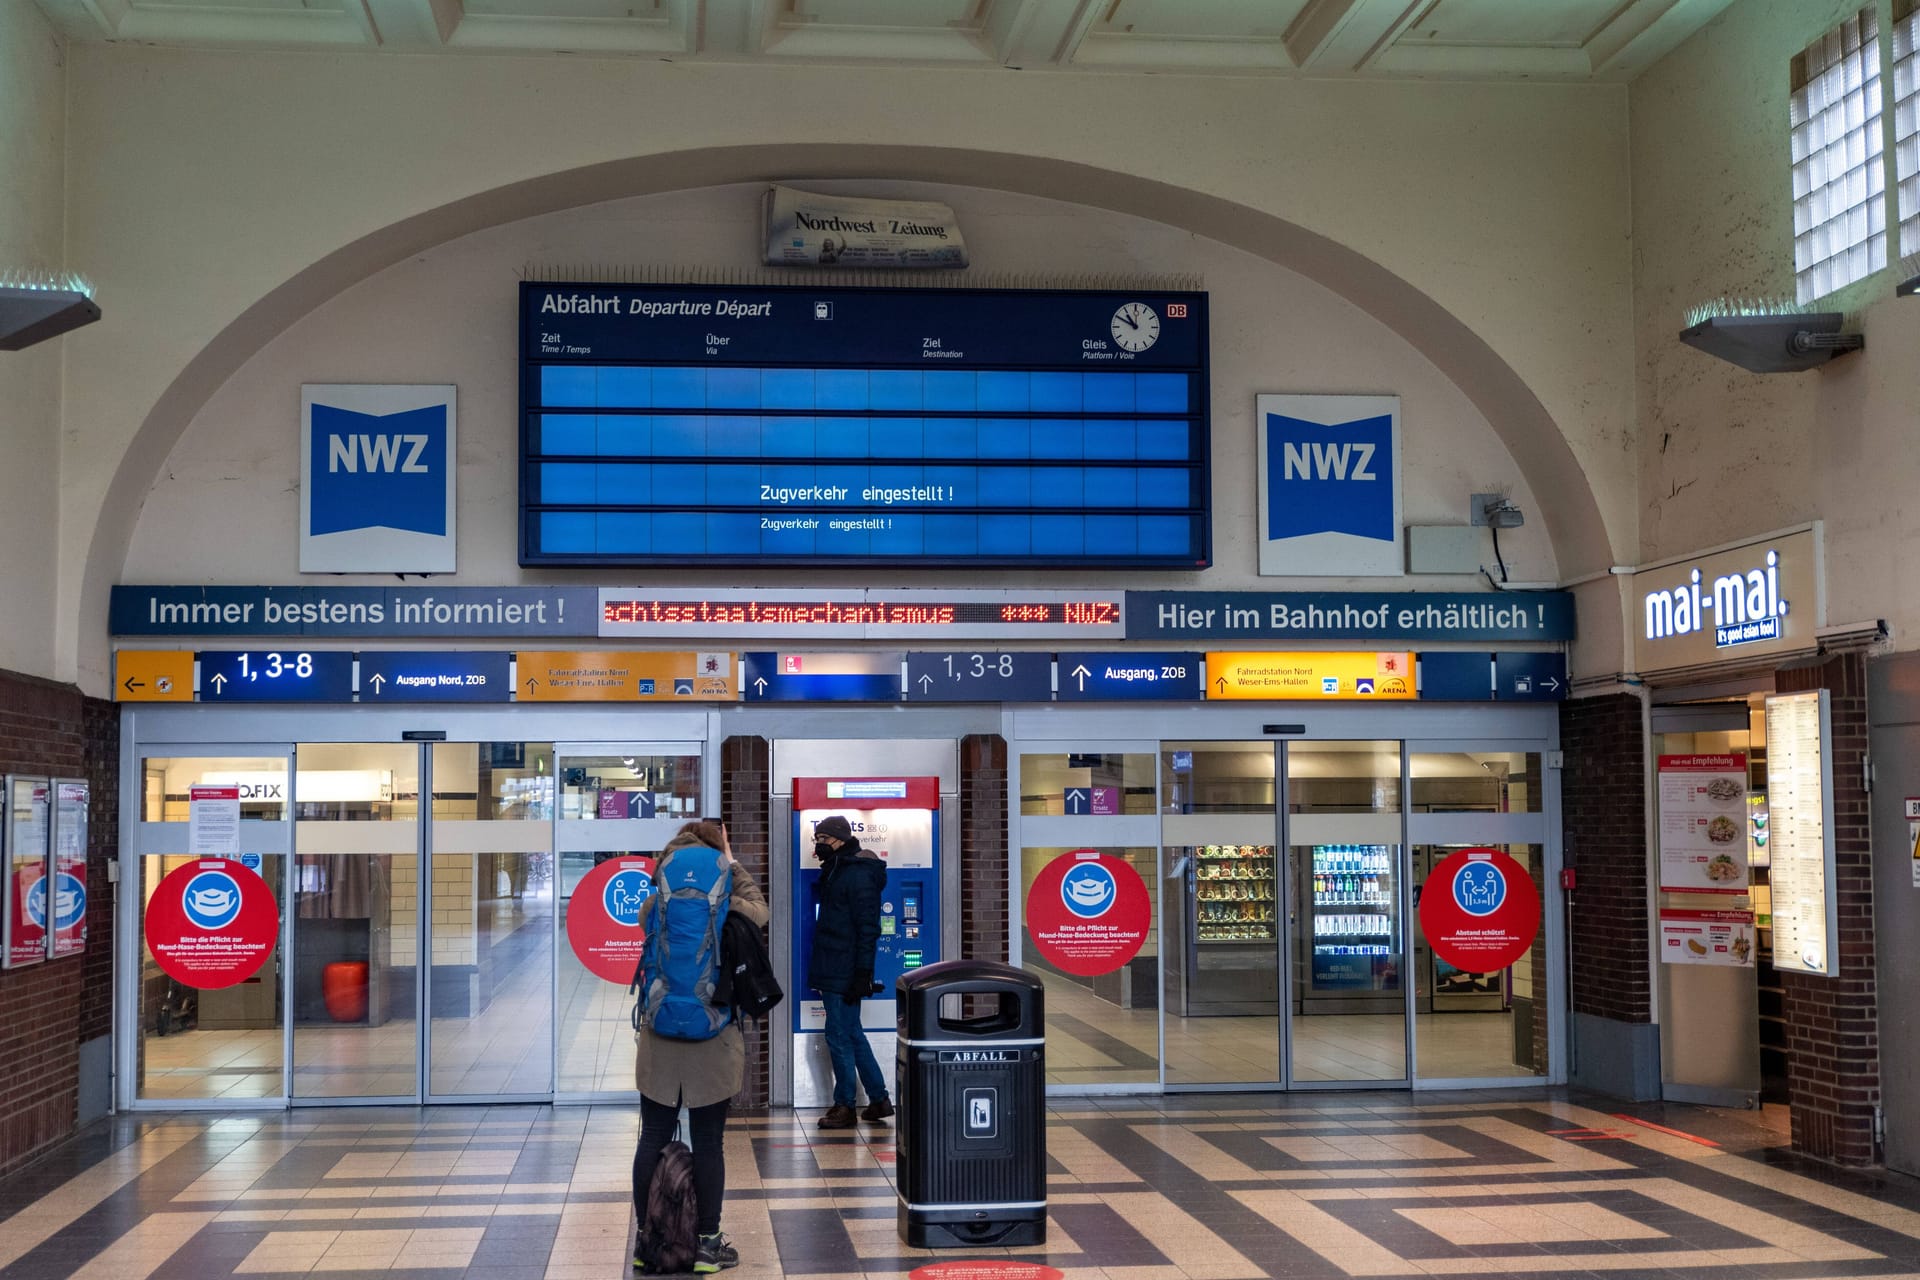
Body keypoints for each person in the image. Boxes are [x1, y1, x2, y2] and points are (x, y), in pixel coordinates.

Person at [632, 819, 766, 1274]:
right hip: (714, 1030)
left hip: (660, 1032)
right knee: (709, 1144)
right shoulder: (729, 903)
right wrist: (731, 863)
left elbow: (645, 927)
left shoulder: (657, 900)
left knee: (652, 1135)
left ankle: (647, 1239)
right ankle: (707, 1244)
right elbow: (761, 912)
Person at [807, 814, 894, 1129]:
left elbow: (868, 927)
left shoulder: (856, 875)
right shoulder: (837, 871)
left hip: (843, 967)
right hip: (835, 963)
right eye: (816, 839)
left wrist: (862, 973)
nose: (819, 845)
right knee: (852, 1032)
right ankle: (879, 1099)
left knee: (838, 1035)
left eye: (823, 839)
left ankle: (844, 1106)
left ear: (841, 839)